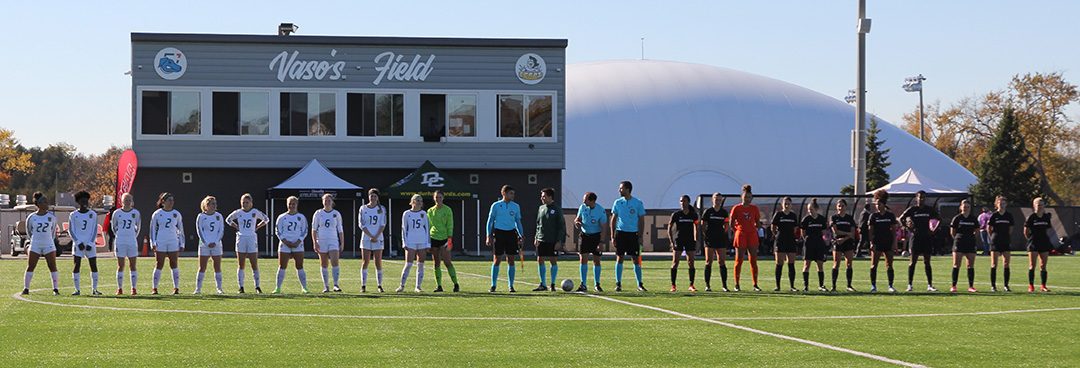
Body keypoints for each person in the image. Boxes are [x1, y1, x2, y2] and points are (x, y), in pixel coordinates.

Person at [226, 193, 270, 294]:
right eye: (243, 202)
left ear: (251, 203)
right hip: (241, 238)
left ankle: (257, 286)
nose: (245, 204)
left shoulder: (255, 212)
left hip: (251, 238)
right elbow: (228, 219)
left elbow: (266, 219)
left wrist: (258, 226)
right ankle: (241, 287)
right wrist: (236, 226)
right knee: (241, 264)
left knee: (254, 263)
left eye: (247, 202)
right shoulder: (238, 212)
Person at [899, 190, 940, 292]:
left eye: (923, 197)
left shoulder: (929, 210)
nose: (921, 199)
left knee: (927, 262)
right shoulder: (912, 209)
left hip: (926, 238)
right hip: (915, 237)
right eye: (919, 197)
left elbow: (939, 219)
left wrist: (933, 231)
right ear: (916, 198)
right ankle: (909, 284)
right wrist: (908, 228)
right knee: (913, 262)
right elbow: (901, 219)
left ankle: (930, 285)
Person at [610, 181, 647, 292]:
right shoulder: (617, 202)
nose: (619, 190)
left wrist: (640, 235)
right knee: (619, 257)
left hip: (633, 234)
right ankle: (618, 283)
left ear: (627, 189)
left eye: (621, 188)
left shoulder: (637, 203)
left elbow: (641, 220)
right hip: (620, 233)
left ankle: (640, 284)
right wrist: (613, 235)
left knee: (635, 259)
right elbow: (613, 219)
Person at [486, 185, 524, 293]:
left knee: (511, 260)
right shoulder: (496, 205)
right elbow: (490, 221)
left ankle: (511, 286)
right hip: (499, 233)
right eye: (511, 193)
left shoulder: (516, 206)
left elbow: (518, 222)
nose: (513, 195)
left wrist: (521, 235)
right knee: (497, 259)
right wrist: (488, 235)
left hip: (511, 234)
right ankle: (493, 285)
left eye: (513, 193)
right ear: (504, 193)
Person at [21, 192, 60, 296]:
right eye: (44, 202)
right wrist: (34, 240)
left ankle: (55, 289)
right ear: (38, 204)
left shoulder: (51, 217)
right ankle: (26, 288)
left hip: (48, 243)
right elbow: (29, 231)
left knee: (52, 265)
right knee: (31, 266)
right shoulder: (31, 217)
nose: (47, 204)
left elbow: (52, 231)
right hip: (35, 244)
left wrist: (49, 241)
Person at [150, 192, 185, 295]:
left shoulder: (176, 214)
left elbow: (180, 229)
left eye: (172, 200)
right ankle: (154, 288)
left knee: (174, 264)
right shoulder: (157, 214)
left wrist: (182, 243)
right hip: (161, 241)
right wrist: (153, 242)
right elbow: (152, 229)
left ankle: (176, 288)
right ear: (163, 202)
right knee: (159, 264)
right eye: (169, 200)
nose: (171, 202)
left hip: (173, 241)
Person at [729, 184, 762, 292]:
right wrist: (738, 231)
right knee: (739, 260)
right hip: (741, 235)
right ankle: (737, 284)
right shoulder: (736, 208)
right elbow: (731, 223)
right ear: (741, 197)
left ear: (751, 197)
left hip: (752, 235)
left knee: (753, 260)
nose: (747, 199)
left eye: (749, 197)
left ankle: (755, 284)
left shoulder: (754, 208)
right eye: (745, 197)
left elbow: (757, 222)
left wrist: (756, 227)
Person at [274, 196, 309, 294]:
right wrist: (285, 241)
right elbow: (277, 231)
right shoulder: (281, 217)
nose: (291, 206)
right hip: (284, 245)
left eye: (293, 204)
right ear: (287, 204)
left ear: (297, 205)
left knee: (299, 266)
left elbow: (305, 230)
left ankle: (304, 288)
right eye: (290, 204)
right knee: (282, 266)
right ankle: (277, 288)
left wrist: (299, 241)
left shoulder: (301, 217)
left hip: (298, 244)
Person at [534, 188, 567, 292]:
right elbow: (538, 224)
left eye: (544, 196)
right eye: (541, 196)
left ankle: (552, 284)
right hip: (541, 239)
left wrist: (559, 241)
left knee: (553, 261)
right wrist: (536, 237)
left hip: (553, 240)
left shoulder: (557, 209)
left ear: (550, 197)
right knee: (540, 260)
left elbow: (561, 226)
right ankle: (542, 284)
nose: (542, 198)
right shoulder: (541, 208)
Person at [574, 192, 608, 292]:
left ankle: (597, 284)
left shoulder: (600, 210)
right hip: (584, 236)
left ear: (592, 201)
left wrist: (601, 242)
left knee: (596, 260)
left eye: (585, 199)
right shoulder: (582, 207)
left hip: (596, 237)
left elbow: (604, 227)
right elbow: (577, 218)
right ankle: (583, 284)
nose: (583, 201)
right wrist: (577, 222)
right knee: (583, 259)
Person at [427, 190, 461, 293]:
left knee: (447, 262)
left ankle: (455, 284)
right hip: (433, 238)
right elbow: (428, 226)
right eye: (436, 197)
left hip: (444, 238)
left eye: (440, 197)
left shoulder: (447, 210)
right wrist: (428, 241)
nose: (438, 199)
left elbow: (450, 225)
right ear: (434, 198)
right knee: (436, 263)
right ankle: (439, 286)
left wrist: (450, 239)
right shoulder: (430, 211)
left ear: (443, 198)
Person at [311, 193, 345, 293]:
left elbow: (340, 229)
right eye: (325, 200)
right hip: (321, 240)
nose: (327, 202)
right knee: (324, 263)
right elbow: (313, 229)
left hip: (333, 240)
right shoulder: (318, 213)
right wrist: (315, 242)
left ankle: (336, 284)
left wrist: (342, 243)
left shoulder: (336, 214)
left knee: (335, 261)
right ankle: (326, 286)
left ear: (332, 202)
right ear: (322, 201)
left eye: (329, 200)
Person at [69, 191, 100, 296]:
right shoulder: (73, 215)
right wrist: (78, 242)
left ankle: (94, 289)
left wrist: (91, 243)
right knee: (77, 265)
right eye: (82, 200)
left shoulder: (93, 214)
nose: (85, 202)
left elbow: (95, 229)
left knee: (93, 265)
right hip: (78, 244)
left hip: (90, 244)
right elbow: (71, 230)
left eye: (86, 200)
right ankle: (77, 290)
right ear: (78, 202)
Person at [868, 190, 899, 293]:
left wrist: (894, 243)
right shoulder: (873, 216)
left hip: (888, 242)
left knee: (889, 264)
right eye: (876, 204)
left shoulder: (890, 216)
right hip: (877, 242)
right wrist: (871, 243)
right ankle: (873, 286)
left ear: (884, 204)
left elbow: (894, 231)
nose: (877, 206)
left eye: (879, 204)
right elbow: (870, 231)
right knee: (873, 265)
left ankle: (890, 285)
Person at [398, 194, 430, 292]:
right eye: (417, 200)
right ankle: (402, 285)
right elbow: (404, 228)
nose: (419, 202)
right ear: (413, 201)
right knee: (408, 264)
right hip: (411, 241)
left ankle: (418, 286)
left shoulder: (424, 213)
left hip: (422, 241)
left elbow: (427, 229)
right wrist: (404, 242)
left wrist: (428, 243)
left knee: (420, 264)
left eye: (421, 200)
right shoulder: (407, 213)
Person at [111, 193, 141, 295]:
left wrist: (132, 236)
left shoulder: (136, 213)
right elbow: (113, 227)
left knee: (133, 265)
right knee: (121, 265)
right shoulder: (117, 213)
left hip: (132, 241)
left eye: (129, 199)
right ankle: (119, 288)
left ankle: (134, 288)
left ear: (131, 201)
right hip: (120, 241)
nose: (127, 201)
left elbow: (138, 227)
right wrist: (120, 235)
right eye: (125, 199)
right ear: (121, 201)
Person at [668, 195, 699, 292]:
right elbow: (670, 227)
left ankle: (691, 285)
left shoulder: (693, 214)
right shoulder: (676, 214)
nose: (682, 203)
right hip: (679, 240)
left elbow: (696, 227)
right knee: (675, 263)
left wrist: (696, 240)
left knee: (691, 262)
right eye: (681, 201)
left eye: (684, 201)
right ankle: (673, 285)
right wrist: (671, 241)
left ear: (688, 202)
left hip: (689, 240)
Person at [359, 189, 388, 293]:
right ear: (368, 197)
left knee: (378, 262)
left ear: (377, 197)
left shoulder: (381, 209)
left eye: (375, 196)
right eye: (371, 196)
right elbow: (361, 224)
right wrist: (370, 235)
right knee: (365, 261)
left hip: (378, 238)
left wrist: (376, 236)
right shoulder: (363, 208)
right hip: (366, 237)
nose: (373, 198)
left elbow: (382, 224)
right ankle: (363, 285)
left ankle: (379, 285)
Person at [700, 193, 730, 292]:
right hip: (710, 240)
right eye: (716, 199)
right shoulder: (708, 212)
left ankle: (724, 285)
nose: (718, 201)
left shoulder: (724, 212)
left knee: (722, 261)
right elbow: (703, 225)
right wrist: (707, 235)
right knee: (709, 261)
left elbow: (726, 225)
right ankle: (707, 285)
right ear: (712, 200)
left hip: (721, 239)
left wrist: (723, 233)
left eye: (719, 200)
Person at [194, 196, 224, 294]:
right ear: (206, 205)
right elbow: (199, 231)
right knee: (202, 267)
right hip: (204, 245)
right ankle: (198, 289)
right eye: (212, 204)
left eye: (215, 203)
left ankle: (219, 288)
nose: (214, 206)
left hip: (217, 244)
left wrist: (215, 242)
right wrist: (206, 242)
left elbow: (221, 230)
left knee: (217, 267)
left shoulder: (219, 216)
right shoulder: (201, 216)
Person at [949, 199, 980, 293]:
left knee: (970, 265)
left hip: (970, 243)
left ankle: (971, 286)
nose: (966, 208)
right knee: (956, 264)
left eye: (968, 207)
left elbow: (977, 230)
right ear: (961, 207)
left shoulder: (973, 218)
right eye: (964, 206)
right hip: (959, 243)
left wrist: (972, 238)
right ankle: (954, 286)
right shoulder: (957, 218)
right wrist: (958, 238)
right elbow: (952, 232)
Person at [1024, 197, 1053, 293]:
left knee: (1043, 266)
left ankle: (1043, 286)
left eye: (1042, 205)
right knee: (1032, 265)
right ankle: (1031, 285)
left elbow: (1048, 229)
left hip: (1044, 243)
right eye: (1038, 205)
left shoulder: (1046, 217)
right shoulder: (1031, 217)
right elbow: (1026, 231)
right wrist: (1030, 240)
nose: (1040, 207)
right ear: (1034, 206)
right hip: (1033, 243)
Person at [770, 197, 799, 292]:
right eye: (785, 203)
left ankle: (792, 286)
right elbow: (773, 227)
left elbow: (795, 228)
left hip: (790, 241)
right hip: (780, 241)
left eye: (788, 203)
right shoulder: (778, 214)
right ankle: (777, 286)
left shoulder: (793, 215)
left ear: (791, 205)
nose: (787, 205)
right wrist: (777, 235)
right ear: (782, 204)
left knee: (791, 263)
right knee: (779, 263)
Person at [987, 196, 1014, 292]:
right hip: (995, 241)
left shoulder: (1009, 216)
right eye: (1000, 203)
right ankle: (993, 286)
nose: (1002, 205)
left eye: (1003, 203)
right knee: (994, 264)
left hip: (1005, 241)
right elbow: (989, 229)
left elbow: (1011, 229)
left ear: (1006, 204)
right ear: (996, 204)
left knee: (1006, 264)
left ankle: (1006, 285)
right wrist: (993, 237)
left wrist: (1006, 236)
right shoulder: (994, 216)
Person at [829, 199, 858, 291]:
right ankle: (833, 286)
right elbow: (835, 231)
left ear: (846, 207)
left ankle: (849, 285)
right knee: (836, 263)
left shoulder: (849, 218)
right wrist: (846, 234)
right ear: (836, 207)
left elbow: (852, 233)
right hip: (837, 242)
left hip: (847, 242)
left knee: (849, 263)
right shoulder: (834, 217)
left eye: (842, 206)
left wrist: (845, 238)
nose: (841, 208)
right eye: (839, 206)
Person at [800, 199, 828, 292]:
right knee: (807, 264)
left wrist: (825, 241)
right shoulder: (806, 219)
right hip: (809, 244)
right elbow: (803, 233)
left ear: (816, 209)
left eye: (811, 209)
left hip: (819, 244)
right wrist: (808, 240)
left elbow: (824, 232)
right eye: (808, 209)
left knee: (820, 264)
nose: (809, 211)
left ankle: (821, 285)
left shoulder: (821, 219)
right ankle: (806, 286)